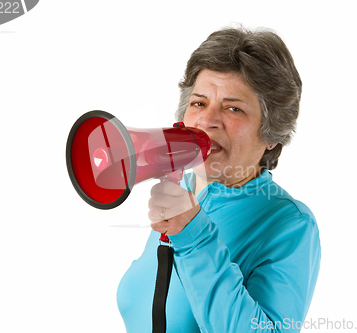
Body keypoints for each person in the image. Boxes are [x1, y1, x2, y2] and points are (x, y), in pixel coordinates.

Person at [117, 26, 321, 332]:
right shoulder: (186, 193)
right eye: (199, 103)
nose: (208, 121)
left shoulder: (290, 224)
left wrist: (193, 236)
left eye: (233, 108)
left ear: (271, 135)